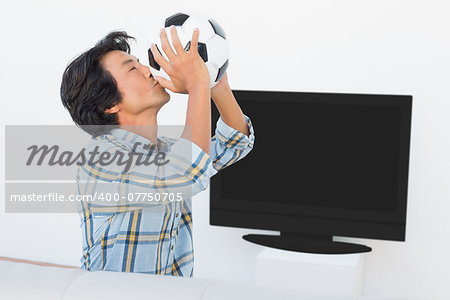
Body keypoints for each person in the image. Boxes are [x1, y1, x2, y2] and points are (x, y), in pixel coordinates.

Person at [60, 26, 255, 277]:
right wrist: (197, 84)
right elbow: (188, 173)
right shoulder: (99, 158)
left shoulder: (167, 150)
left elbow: (236, 144)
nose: (147, 70)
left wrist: (215, 84)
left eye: (141, 63)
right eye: (132, 68)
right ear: (108, 104)